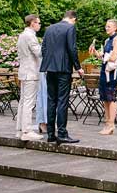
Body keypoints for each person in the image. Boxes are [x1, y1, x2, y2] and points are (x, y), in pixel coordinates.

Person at [40, 10, 83, 144]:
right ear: (73, 19)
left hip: (50, 68)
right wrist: (78, 67)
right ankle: (62, 133)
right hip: (63, 69)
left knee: (51, 100)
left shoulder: (49, 28)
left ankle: (51, 134)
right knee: (62, 101)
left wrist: (48, 63)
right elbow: (72, 48)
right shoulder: (70, 28)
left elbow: (44, 48)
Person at [87, 19, 117, 135]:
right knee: (104, 98)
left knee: (110, 97)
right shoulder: (107, 40)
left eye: (109, 26)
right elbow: (103, 57)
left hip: (111, 72)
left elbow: (113, 58)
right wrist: (96, 53)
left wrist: (106, 57)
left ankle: (111, 124)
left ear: (115, 28)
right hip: (104, 70)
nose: (106, 28)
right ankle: (107, 123)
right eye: (106, 26)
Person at [16, 14, 43, 141]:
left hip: (24, 72)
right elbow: (39, 52)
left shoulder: (22, 35)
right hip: (31, 73)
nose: (39, 25)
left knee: (23, 102)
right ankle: (27, 130)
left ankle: (20, 129)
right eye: (38, 23)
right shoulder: (30, 36)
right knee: (28, 103)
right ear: (32, 23)